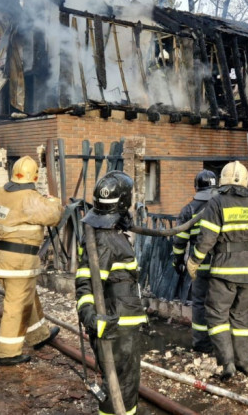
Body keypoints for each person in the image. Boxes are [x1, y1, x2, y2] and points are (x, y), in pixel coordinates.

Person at [188, 161, 248, 380]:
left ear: (223, 181)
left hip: (224, 270)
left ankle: (227, 363)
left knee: (217, 315)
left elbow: (207, 238)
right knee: (241, 318)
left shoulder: (217, 202)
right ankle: (245, 363)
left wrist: (194, 261)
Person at [75, 171, 147, 415]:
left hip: (120, 322)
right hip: (117, 325)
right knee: (121, 385)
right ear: (124, 202)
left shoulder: (108, 232)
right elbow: (85, 283)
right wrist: (90, 317)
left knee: (124, 382)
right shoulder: (105, 238)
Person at [0, 156, 63, 366]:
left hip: (1, 258)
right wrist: (54, 201)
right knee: (17, 305)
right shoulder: (29, 197)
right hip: (20, 262)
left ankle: (39, 335)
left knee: (27, 296)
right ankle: (7, 353)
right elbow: (53, 216)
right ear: (34, 176)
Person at [172, 169, 218, 353]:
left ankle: (201, 344)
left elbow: (179, 240)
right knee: (220, 304)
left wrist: (178, 261)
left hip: (197, 267)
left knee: (199, 304)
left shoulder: (189, 209)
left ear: (196, 187)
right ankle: (220, 343)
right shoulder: (221, 206)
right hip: (222, 265)